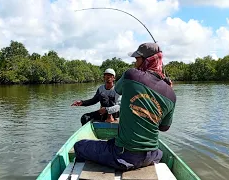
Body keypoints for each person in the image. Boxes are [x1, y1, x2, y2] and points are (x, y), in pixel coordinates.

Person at [73, 42, 177, 171]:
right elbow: (164, 127)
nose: (135, 63)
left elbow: (118, 89)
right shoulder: (171, 94)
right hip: (153, 155)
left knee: (79, 146)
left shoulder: (131, 75)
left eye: (137, 59)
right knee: (112, 141)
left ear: (146, 61)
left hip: (125, 156)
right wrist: (166, 88)